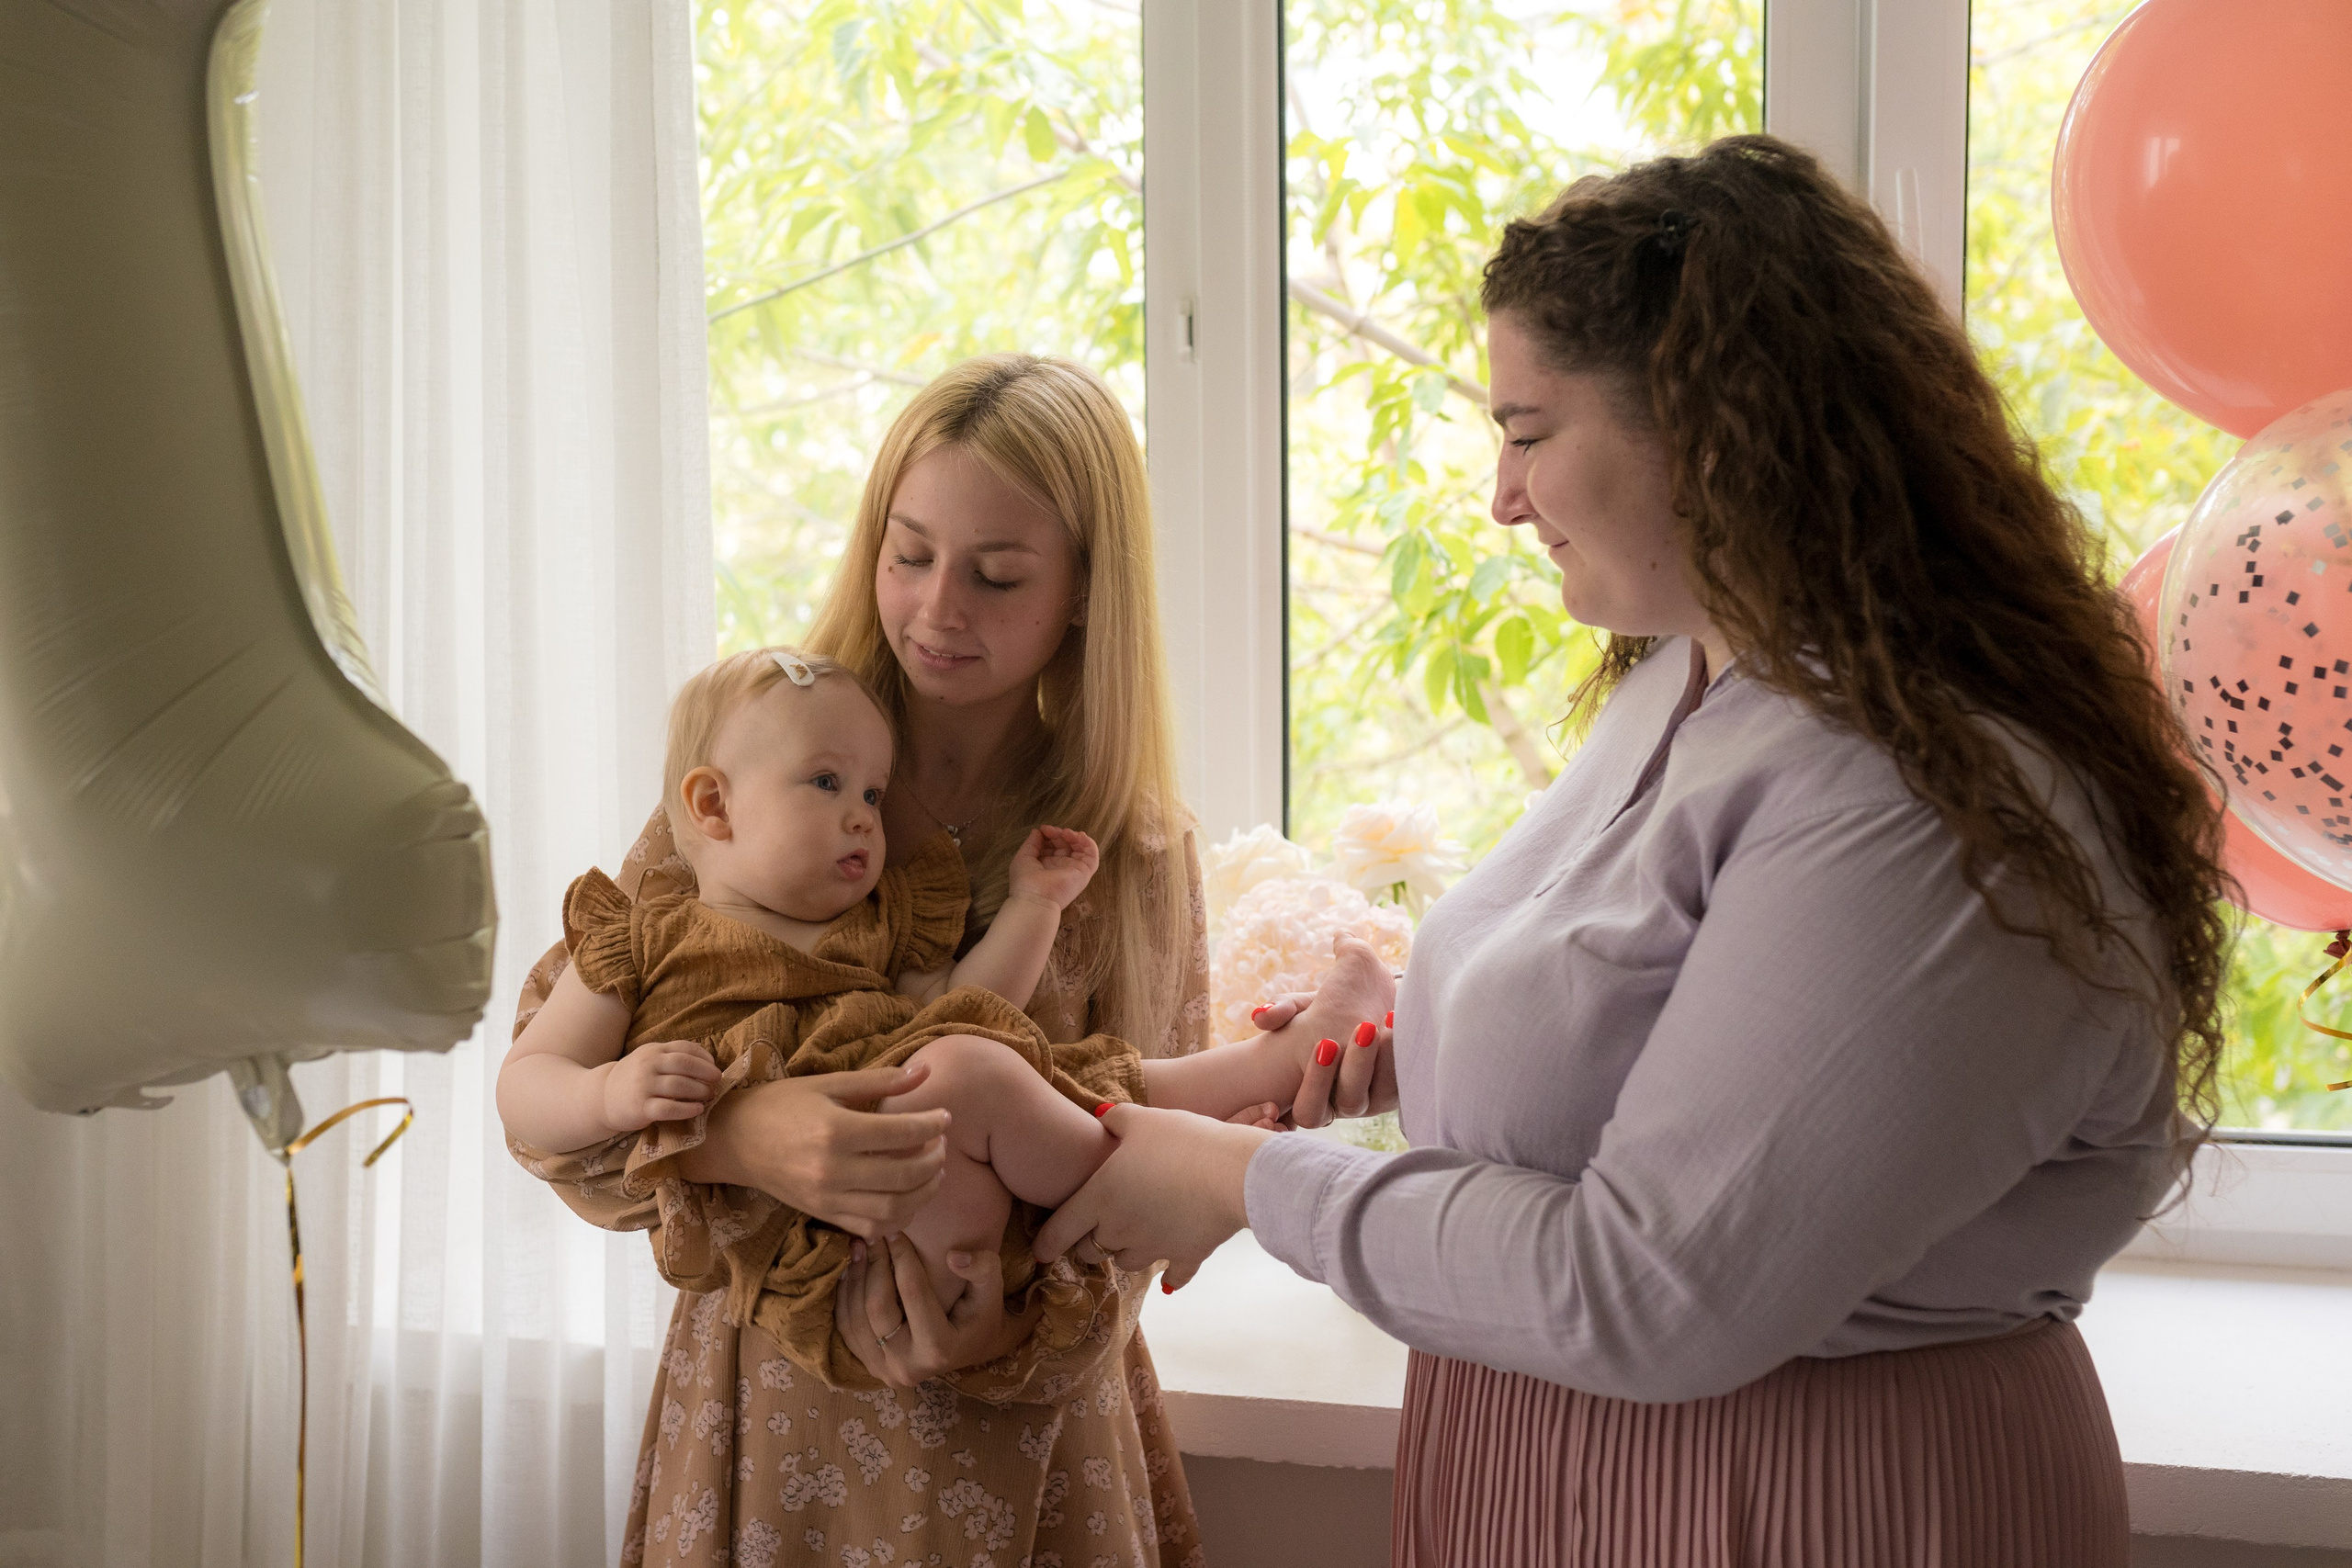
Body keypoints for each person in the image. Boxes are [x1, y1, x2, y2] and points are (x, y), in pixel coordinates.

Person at [1037, 134, 2230, 1567]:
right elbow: (1693, 1034)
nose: (1501, 495)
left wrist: (1238, 1184)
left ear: (1719, 427)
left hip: (1820, 1499)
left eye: (1531, 431)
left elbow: (1654, 1284)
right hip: (1559, 1472)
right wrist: (1430, 1048)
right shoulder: (1692, 679)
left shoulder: (1921, 799)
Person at [504, 353, 1374, 1567]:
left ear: (1083, 591)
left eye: (997, 573)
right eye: (909, 553)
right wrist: (744, 1134)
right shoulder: (749, 777)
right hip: (767, 1434)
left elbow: (1142, 1192)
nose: (936, 607)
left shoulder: (1127, 849)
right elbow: (554, 1117)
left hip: (1026, 1461)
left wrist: (1000, 1332)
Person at [499, 644, 1340, 1381]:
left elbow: (968, 1007)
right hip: (819, 1248)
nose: (863, 814)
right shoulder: (640, 934)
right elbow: (529, 1086)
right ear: (712, 805)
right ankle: (1164, 1167)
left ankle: (1262, 1069)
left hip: (934, 1205)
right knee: (980, 1069)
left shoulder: (871, 926)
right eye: (828, 783)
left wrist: (1033, 905)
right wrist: (613, 1095)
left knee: (1007, 1063)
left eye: (872, 789)